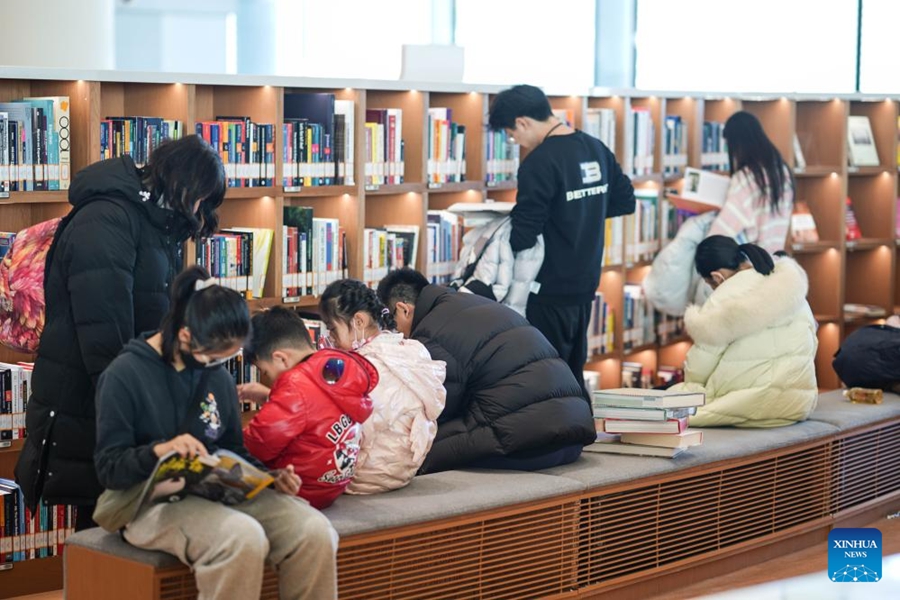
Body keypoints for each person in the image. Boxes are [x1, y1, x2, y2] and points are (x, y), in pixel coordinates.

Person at [16, 135, 226, 529]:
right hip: (91, 399)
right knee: (102, 530)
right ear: (180, 182)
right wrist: (137, 411)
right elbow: (103, 335)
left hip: (123, 394)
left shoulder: (155, 223)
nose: (198, 211)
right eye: (199, 198)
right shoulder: (108, 220)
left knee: (120, 529)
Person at [94, 267, 338, 600]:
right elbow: (109, 467)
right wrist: (161, 450)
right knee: (240, 537)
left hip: (216, 490)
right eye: (210, 356)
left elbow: (231, 448)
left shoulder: (215, 375)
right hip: (146, 502)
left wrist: (270, 475)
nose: (214, 366)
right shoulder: (124, 375)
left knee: (314, 530)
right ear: (183, 335)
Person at [488, 84, 636, 396]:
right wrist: (581, 211)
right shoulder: (596, 147)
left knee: (547, 376)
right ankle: (579, 438)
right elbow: (625, 201)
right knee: (573, 370)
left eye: (512, 134)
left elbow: (524, 235)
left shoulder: (539, 163)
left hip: (548, 288)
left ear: (524, 122)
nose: (516, 142)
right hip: (584, 284)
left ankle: (561, 442)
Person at [376, 268, 596, 473]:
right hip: (571, 432)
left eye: (392, 325)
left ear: (403, 309)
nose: (398, 337)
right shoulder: (470, 304)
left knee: (408, 454)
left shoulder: (431, 333)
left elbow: (438, 407)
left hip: (532, 443)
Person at [668, 236, 818, 427]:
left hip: (746, 406)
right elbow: (811, 342)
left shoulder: (723, 297)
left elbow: (699, 368)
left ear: (716, 277)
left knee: (668, 401)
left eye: (710, 285)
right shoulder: (789, 284)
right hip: (796, 404)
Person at [240, 307, 377, 509]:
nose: (267, 378)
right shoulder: (336, 368)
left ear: (281, 358)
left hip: (298, 489)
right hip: (332, 486)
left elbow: (259, 445)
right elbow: (317, 409)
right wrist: (270, 396)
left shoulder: (294, 386)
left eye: (264, 371)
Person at [318, 279, 446, 494]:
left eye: (332, 329)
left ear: (358, 321)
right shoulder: (411, 348)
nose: (331, 338)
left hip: (361, 476)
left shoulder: (360, 367)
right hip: (406, 470)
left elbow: (352, 427)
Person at [707, 111, 794, 253]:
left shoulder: (746, 178)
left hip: (752, 265)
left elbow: (722, 231)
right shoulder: (782, 172)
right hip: (775, 261)